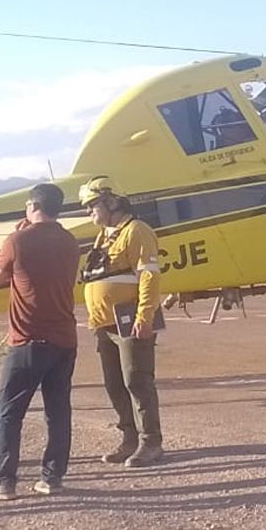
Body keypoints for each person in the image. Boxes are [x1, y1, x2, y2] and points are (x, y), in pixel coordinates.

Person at [0, 183, 80, 500]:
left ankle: (4, 482)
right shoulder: (70, 241)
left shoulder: (18, 240)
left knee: (9, 411)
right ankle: (52, 477)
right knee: (58, 411)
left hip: (29, 339)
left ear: (32, 206)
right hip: (65, 338)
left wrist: (15, 237)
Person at [78, 176, 165, 468]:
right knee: (115, 384)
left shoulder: (136, 230)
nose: (89, 212)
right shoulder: (106, 235)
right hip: (104, 325)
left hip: (129, 323)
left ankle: (150, 442)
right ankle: (129, 439)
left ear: (111, 201)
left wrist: (145, 316)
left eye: (92, 205)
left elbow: (149, 275)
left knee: (137, 381)